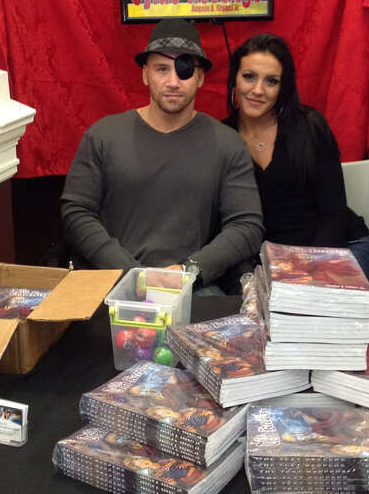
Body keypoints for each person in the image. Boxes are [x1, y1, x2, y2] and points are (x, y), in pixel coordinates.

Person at [61, 20, 264, 292]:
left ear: (201, 77)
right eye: (161, 69)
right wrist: (129, 272)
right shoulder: (102, 137)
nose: (173, 82)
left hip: (194, 288)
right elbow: (77, 212)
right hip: (112, 284)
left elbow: (247, 225)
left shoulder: (228, 145)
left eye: (185, 70)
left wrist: (189, 270)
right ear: (145, 74)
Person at [222, 33, 369, 293]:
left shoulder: (310, 126)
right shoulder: (222, 138)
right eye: (249, 76)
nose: (257, 90)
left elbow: (334, 213)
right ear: (234, 79)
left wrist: (304, 271)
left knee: (316, 314)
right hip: (269, 264)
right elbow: (228, 225)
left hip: (341, 249)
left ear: (283, 87)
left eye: (271, 81)